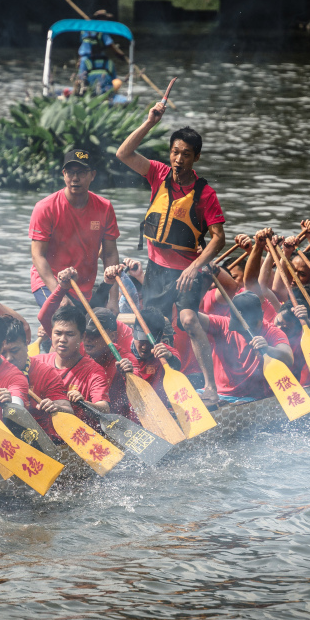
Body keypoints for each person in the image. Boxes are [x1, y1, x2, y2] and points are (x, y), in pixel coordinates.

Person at [117, 106, 226, 408]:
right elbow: (123, 154)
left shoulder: (205, 194)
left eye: (186, 154)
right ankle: (153, 386)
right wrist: (150, 122)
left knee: (189, 320)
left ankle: (210, 388)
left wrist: (195, 266)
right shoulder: (158, 173)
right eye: (175, 152)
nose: (179, 159)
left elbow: (219, 238)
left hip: (187, 271)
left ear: (196, 158)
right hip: (155, 269)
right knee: (147, 329)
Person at [29, 149, 120, 307]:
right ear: (64, 174)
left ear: (92, 175)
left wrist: (113, 300)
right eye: (70, 173)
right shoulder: (45, 207)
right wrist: (59, 295)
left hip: (83, 287)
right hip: (48, 281)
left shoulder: (105, 207)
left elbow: (110, 254)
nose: (75, 179)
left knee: (94, 325)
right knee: (64, 317)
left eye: (82, 173)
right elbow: (37, 255)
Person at [193, 292, 292, 403]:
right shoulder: (221, 324)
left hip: (249, 398)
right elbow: (190, 318)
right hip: (216, 394)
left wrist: (268, 349)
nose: (242, 331)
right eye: (238, 325)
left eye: (247, 326)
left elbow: (288, 358)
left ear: (261, 315)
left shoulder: (272, 332)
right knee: (191, 399)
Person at [30, 305, 110, 417]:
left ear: (83, 336)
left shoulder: (94, 372)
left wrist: (83, 403)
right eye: (58, 333)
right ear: (51, 333)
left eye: (70, 334)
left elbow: (105, 409)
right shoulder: (36, 362)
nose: (62, 340)